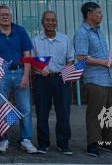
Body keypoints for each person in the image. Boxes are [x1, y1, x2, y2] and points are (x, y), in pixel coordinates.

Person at [0, 5, 36, 153]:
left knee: (24, 107)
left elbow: (27, 54)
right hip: (1, 75)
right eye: (2, 15)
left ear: (11, 16)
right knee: (0, 108)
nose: (5, 17)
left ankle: (25, 139)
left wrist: (26, 75)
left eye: (7, 14)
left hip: (19, 72)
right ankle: (3, 138)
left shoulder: (20, 31)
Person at [73, 1, 112, 158]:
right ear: (89, 14)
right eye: (98, 13)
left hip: (108, 78)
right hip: (94, 79)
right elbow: (81, 58)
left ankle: (108, 143)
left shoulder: (99, 31)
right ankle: (93, 144)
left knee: (110, 111)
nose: (101, 16)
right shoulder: (82, 32)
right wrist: (104, 63)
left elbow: (105, 56)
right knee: (95, 113)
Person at [32, 10, 75, 155]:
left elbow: (71, 59)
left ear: (56, 22)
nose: (50, 22)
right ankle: (43, 143)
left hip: (61, 79)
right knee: (42, 112)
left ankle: (63, 144)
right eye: (47, 20)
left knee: (63, 112)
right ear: (42, 22)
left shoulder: (65, 39)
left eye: (52, 20)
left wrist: (66, 70)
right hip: (42, 80)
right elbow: (32, 61)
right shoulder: (36, 40)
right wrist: (39, 67)